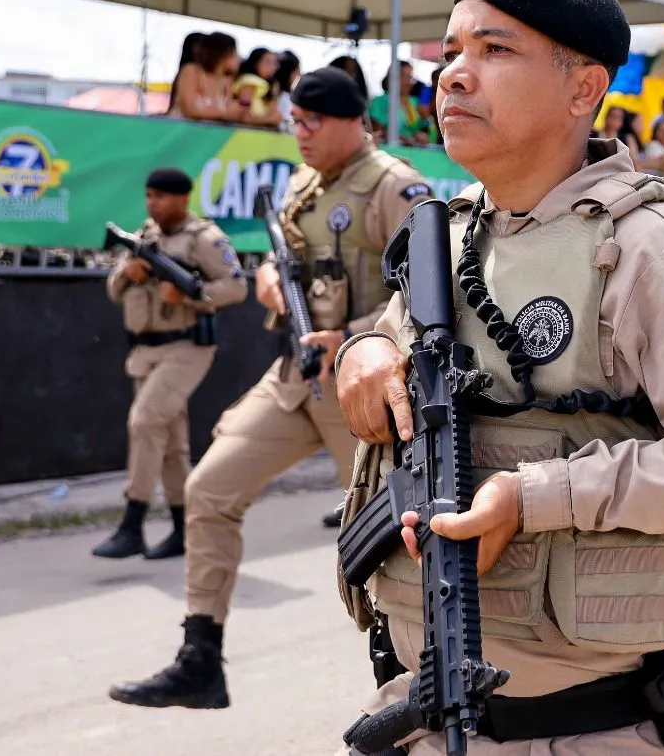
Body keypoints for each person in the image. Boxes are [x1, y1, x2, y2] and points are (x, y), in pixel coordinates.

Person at [331, 0, 664, 753]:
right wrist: (364, 350)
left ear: (584, 89)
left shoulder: (650, 242)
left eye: (495, 49)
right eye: (451, 51)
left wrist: (535, 497)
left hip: (586, 730)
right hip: (421, 709)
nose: (453, 74)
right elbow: (394, 337)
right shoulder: (450, 233)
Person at [109, 68, 432, 710]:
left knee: (400, 542)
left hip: (364, 392)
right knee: (209, 490)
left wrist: (354, 334)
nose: (300, 132)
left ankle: (422, 688)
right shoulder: (303, 186)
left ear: (353, 121)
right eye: (295, 121)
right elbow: (284, 262)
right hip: (295, 379)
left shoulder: (393, 187)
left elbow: (428, 290)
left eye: (313, 121)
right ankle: (200, 660)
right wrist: (266, 278)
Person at [93, 167, 249, 560]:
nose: (153, 204)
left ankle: (132, 522)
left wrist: (190, 296)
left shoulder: (205, 239)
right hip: (145, 352)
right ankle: (182, 528)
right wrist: (127, 273)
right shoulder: (143, 237)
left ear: (182, 199)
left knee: (144, 421)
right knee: (169, 445)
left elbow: (235, 286)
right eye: (149, 196)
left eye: (160, 196)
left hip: (186, 347)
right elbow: (113, 290)